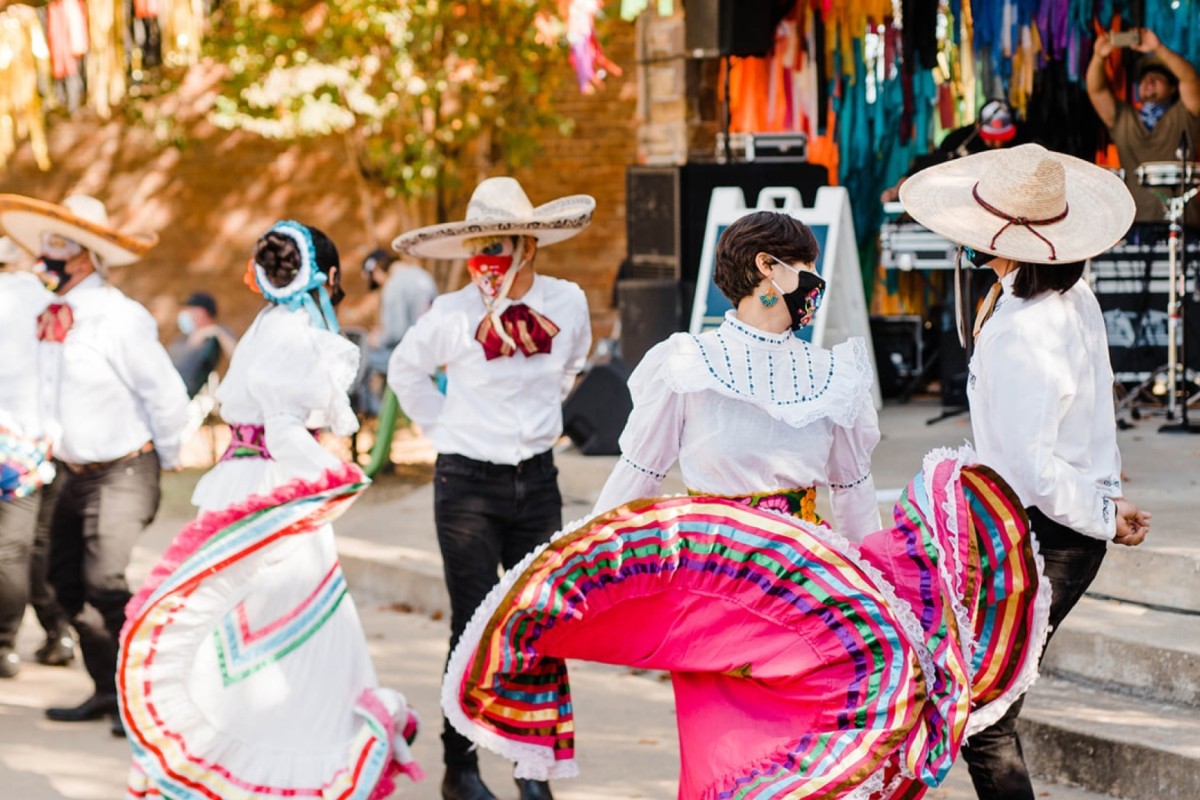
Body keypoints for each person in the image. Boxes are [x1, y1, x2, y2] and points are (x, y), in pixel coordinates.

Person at [438, 211, 1052, 799]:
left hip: (813, 587)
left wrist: (886, 590)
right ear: (768, 270)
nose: (816, 284)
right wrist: (579, 566)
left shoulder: (834, 371)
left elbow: (853, 490)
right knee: (721, 753)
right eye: (806, 269)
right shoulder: (684, 363)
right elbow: (639, 475)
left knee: (810, 746)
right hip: (716, 587)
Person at [118, 220, 422, 798]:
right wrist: (335, 478)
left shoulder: (267, 325)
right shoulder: (305, 335)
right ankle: (278, 767)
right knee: (296, 628)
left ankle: (224, 757)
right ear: (328, 277)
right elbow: (285, 429)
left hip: (236, 481)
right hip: (275, 490)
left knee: (234, 625)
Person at [900, 142, 1153, 800]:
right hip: (1054, 520)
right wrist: (1106, 502)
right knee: (986, 707)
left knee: (986, 716)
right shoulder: (1059, 301)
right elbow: (1087, 423)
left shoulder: (1028, 328)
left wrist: (1101, 511)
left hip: (1041, 533)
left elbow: (1034, 468)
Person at [388, 177, 594, 800]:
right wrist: (444, 427)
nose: (487, 261)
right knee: (474, 623)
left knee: (539, 623)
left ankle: (534, 769)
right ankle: (461, 765)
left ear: (527, 246)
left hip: (537, 479)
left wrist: (537, 422)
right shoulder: (450, 314)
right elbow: (406, 371)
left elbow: (571, 366)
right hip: (466, 483)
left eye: (498, 246)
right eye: (478, 247)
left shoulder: (568, 302)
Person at [0, 193, 189, 736]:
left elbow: (165, 394)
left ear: (86, 255)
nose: (46, 255)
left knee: (104, 579)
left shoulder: (119, 317)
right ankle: (107, 691)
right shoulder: (47, 315)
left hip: (124, 469)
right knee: (62, 583)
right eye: (45, 244)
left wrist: (170, 457)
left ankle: (144, 697)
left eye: (58, 245)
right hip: (69, 471)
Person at [0, 235, 74, 678]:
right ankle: (57, 631)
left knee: (11, 549)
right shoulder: (49, 300)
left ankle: (5, 643)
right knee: (37, 544)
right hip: (48, 439)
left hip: (11, 444)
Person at [1086, 28, 1200, 226]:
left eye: (1158, 77)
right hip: (1133, 225)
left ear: (1173, 88)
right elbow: (1097, 91)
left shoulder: (1185, 114)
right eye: (1145, 78)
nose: (1150, 80)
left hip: (1182, 225)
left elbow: (1189, 79)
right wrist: (1098, 57)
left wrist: (1158, 48)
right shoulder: (1124, 118)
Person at [881, 99, 1025, 202]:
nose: (998, 143)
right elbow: (925, 165)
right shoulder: (958, 140)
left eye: (1002, 138)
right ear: (977, 125)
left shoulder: (1024, 139)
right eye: (992, 139)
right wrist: (897, 190)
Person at [360, 248, 437, 415]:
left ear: (377, 271)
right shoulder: (422, 275)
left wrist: (376, 339)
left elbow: (396, 333)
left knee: (363, 357)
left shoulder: (394, 284)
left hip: (412, 356)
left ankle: (376, 414)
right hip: (431, 351)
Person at [167, 291, 236, 399]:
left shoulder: (217, 334)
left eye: (189, 310)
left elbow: (236, 356)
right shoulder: (182, 338)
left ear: (201, 313)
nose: (185, 314)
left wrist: (216, 332)